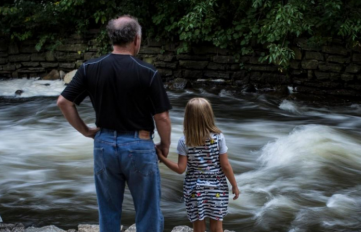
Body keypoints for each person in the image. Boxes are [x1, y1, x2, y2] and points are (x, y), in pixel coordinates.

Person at [57, 15, 171, 232]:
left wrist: (85, 131)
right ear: (136, 40)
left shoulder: (91, 68)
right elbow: (162, 117)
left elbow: (63, 102)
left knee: (108, 211)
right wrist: (165, 145)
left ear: (112, 38)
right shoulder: (148, 72)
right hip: (139, 145)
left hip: (104, 144)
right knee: (148, 211)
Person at [156, 97, 239, 232]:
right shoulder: (219, 137)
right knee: (217, 226)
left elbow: (180, 169)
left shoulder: (185, 141)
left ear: (188, 117)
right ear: (208, 115)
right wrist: (234, 185)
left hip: (195, 188)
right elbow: (225, 166)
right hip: (217, 187)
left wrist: (161, 157)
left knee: (198, 227)